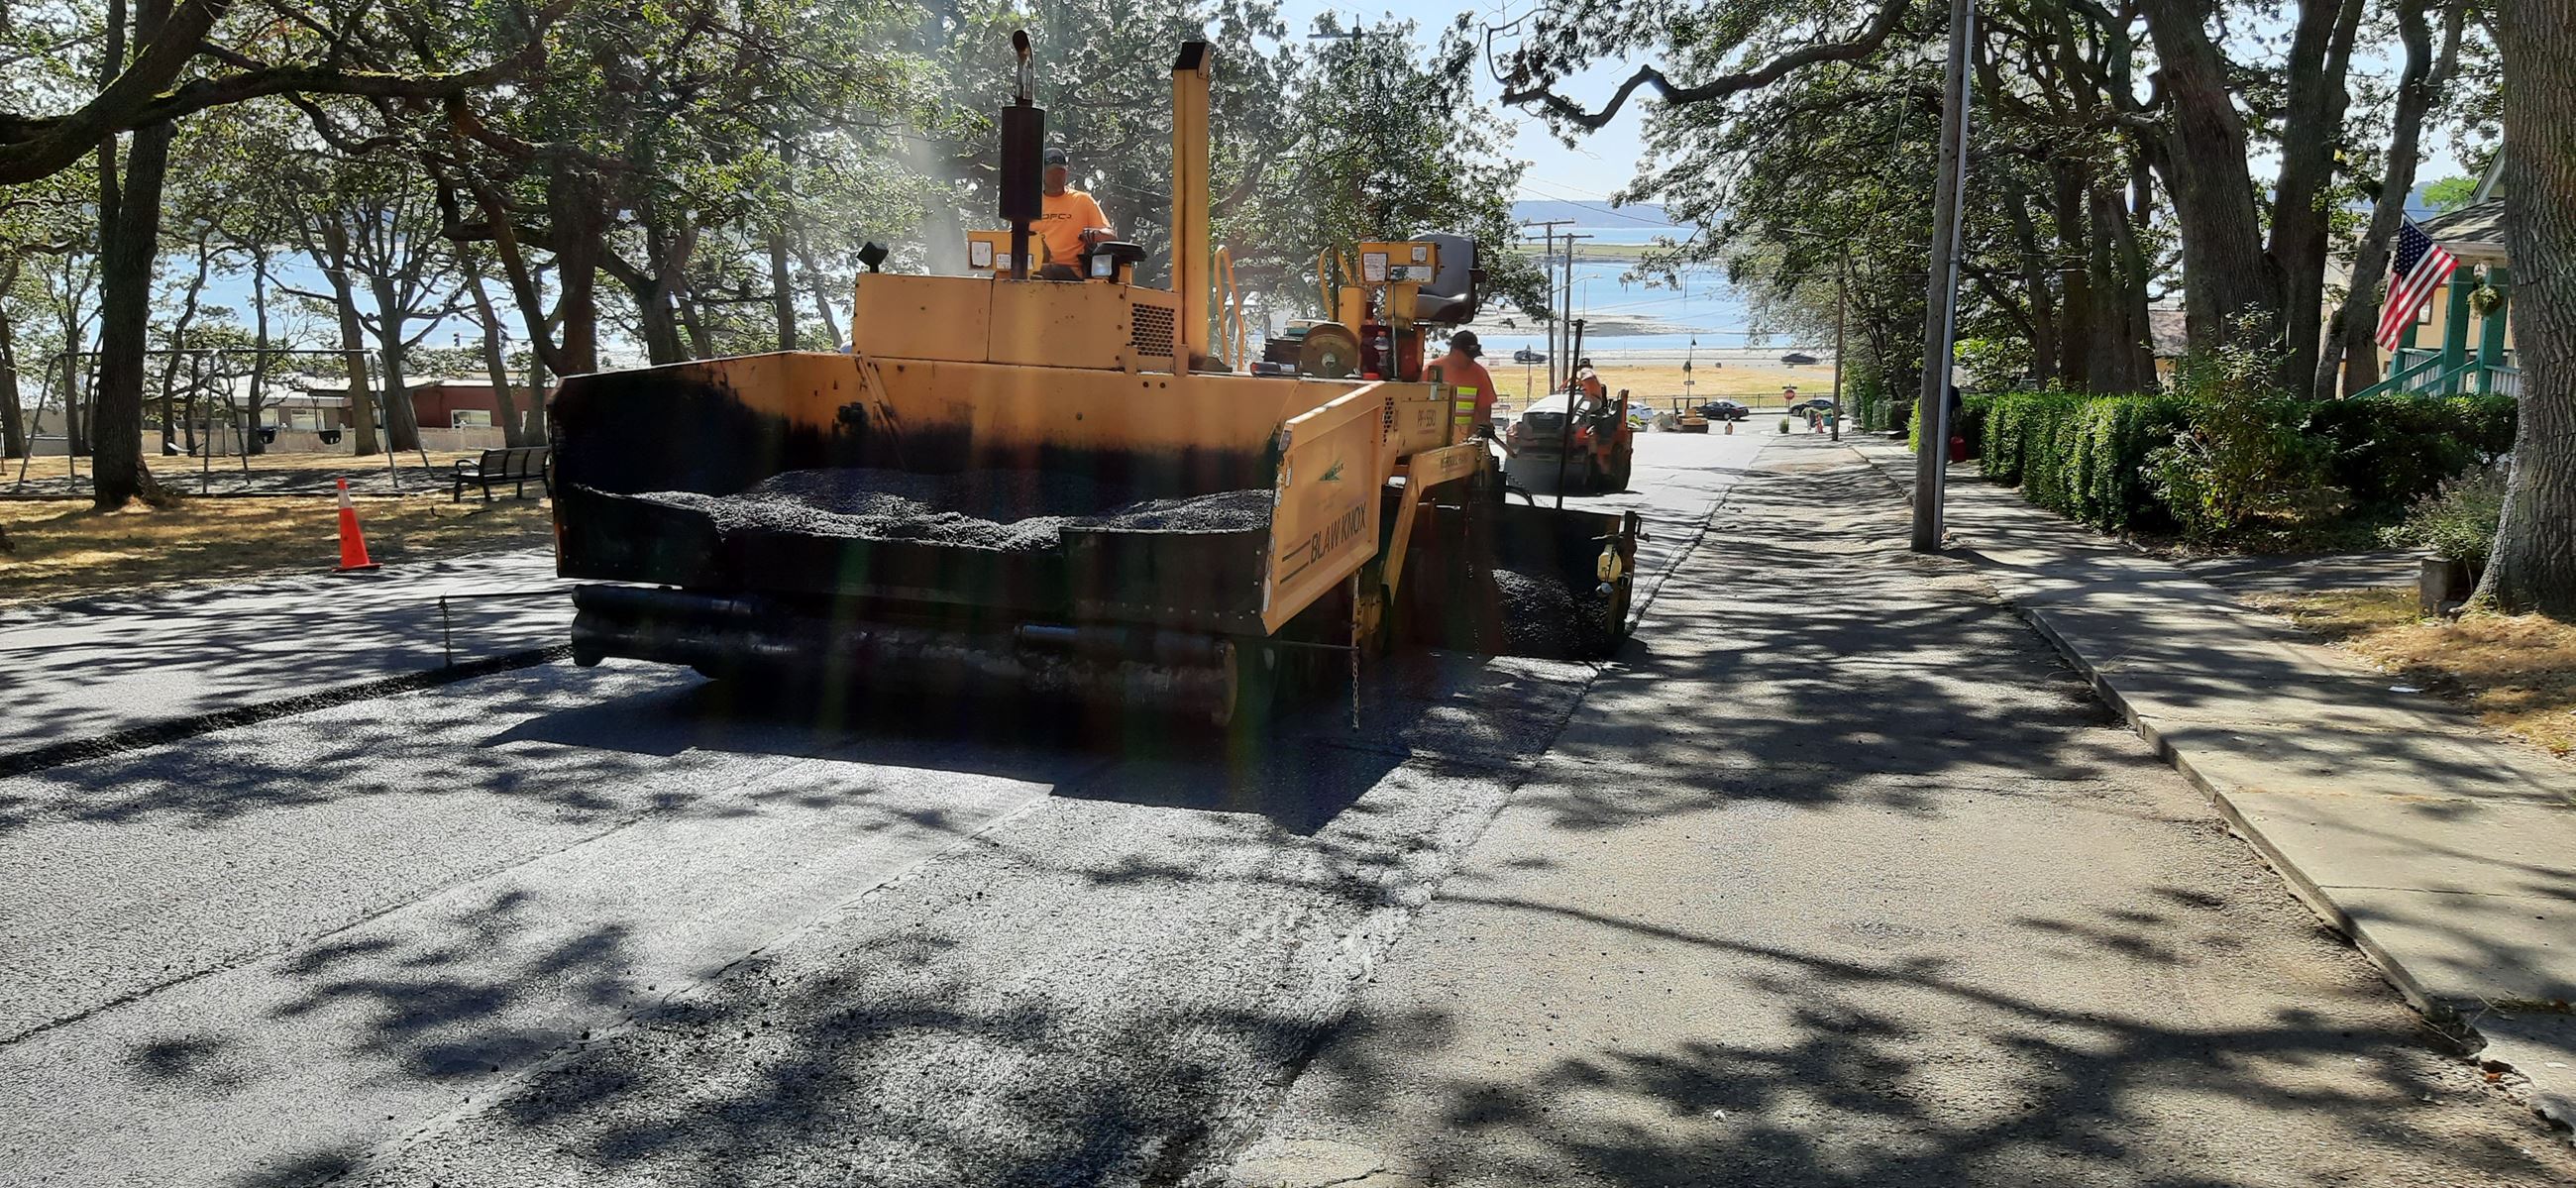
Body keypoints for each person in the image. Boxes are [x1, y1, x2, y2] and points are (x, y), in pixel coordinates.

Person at [1034, 146, 1114, 279]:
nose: (1056, 176)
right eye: (1051, 172)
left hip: (1072, 273)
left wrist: (1097, 234)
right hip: (1035, 269)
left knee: (1047, 270)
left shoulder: (1083, 200)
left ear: (1067, 172)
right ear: (1041, 173)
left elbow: (1111, 236)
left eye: (1060, 172)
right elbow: (1012, 238)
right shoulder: (1031, 204)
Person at [1427, 329, 1502, 442]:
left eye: (1473, 356)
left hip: (1465, 444)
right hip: (1434, 441)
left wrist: (1480, 435)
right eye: (1468, 356)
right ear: (1455, 351)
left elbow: (1485, 414)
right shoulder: (1431, 371)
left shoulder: (1479, 374)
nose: (1471, 360)